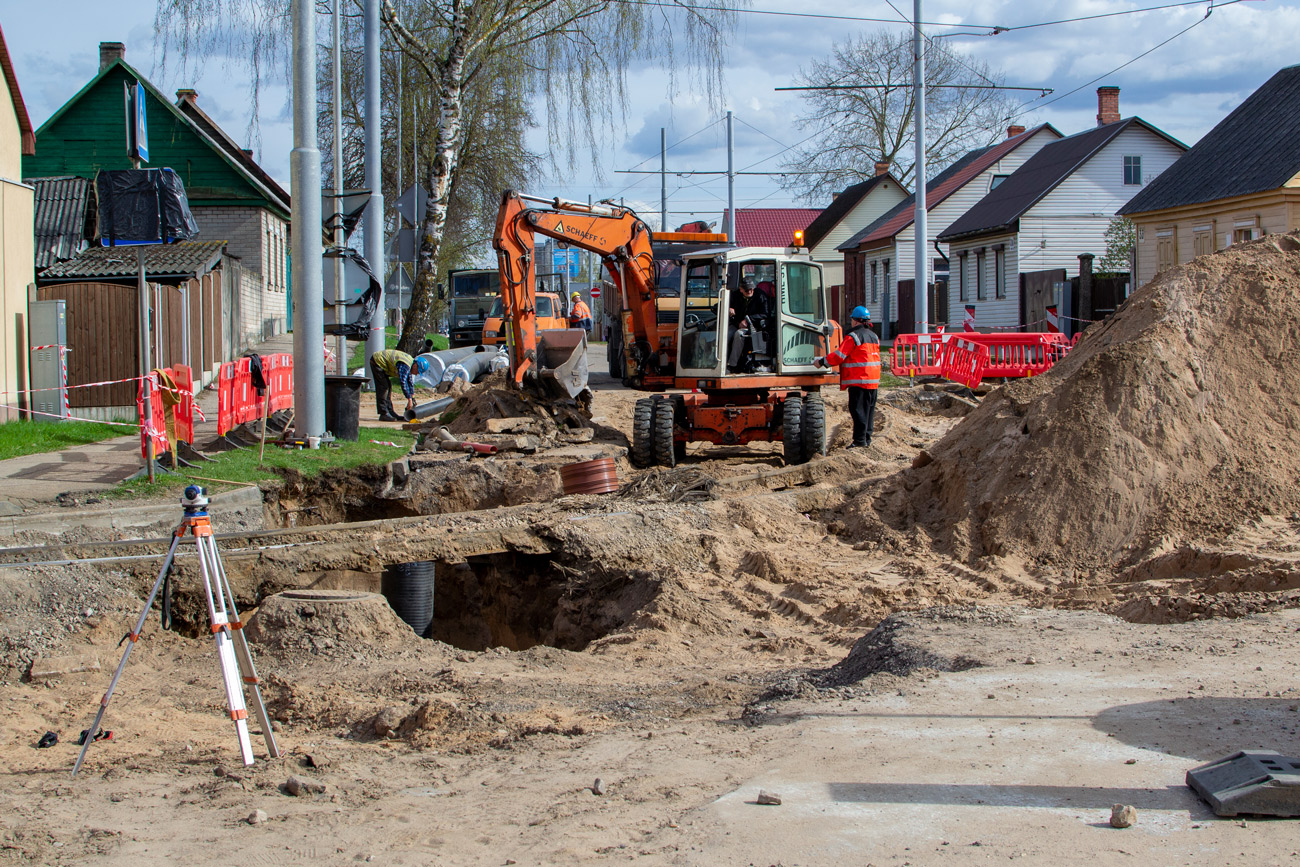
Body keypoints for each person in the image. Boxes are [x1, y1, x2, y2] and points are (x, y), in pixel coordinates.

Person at [814, 306, 881, 448]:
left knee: (858, 412)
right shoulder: (873, 336)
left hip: (859, 381)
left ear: (855, 321)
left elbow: (839, 356)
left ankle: (859, 442)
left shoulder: (853, 337)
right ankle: (866, 440)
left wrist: (821, 362)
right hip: (873, 381)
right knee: (868, 412)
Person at [727, 275, 773, 371]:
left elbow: (765, 314)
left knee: (739, 335)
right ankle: (721, 362)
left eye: (751, 289)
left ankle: (732, 365)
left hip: (754, 326)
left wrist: (749, 320)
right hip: (736, 323)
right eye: (747, 290)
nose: (750, 291)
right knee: (725, 335)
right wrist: (729, 309)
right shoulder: (734, 296)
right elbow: (724, 305)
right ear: (741, 289)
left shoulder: (760, 295)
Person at [370, 349, 429, 422]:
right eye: (418, 371)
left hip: (381, 362)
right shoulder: (405, 365)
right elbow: (403, 382)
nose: (417, 374)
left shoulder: (410, 364)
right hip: (377, 361)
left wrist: (412, 397)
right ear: (415, 366)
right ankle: (383, 414)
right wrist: (409, 399)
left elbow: (409, 382)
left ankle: (391, 413)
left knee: (388, 387)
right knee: (383, 388)